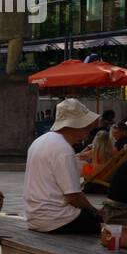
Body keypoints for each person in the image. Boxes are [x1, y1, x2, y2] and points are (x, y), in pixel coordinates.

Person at [24, 99, 104, 236]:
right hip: (58, 220)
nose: (91, 127)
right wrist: (95, 211)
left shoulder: (40, 141)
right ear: (76, 125)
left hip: (34, 218)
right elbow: (73, 197)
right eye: (87, 124)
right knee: (107, 224)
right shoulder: (63, 149)